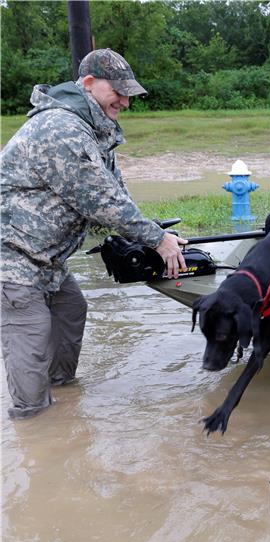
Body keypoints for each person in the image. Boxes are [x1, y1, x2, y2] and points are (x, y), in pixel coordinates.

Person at [0, 48, 187, 420]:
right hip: (13, 258)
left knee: (71, 308)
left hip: (46, 259)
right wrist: (156, 240)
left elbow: (116, 194)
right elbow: (100, 200)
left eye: (128, 93)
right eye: (118, 91)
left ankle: (61, 400)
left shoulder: (95, 129)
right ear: (88, 84)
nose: (126, 101)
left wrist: (150, 233)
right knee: (31, 334)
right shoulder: (62, 128)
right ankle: (34, 422)